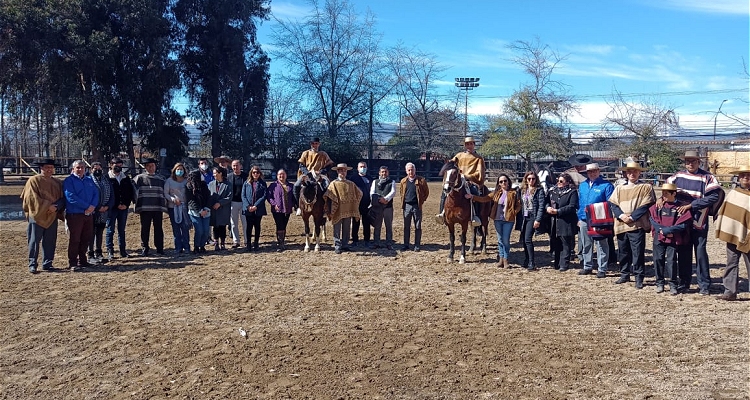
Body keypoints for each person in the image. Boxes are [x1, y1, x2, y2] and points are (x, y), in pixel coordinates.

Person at [665, 150, 723, 295]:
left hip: (699, 219)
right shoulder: (677, 176)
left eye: (693, 161)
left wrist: (692, 205)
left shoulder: (707, 177)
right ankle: (684, 283)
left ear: (699, 162)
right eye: (687, 161)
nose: (690, 164)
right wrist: (662, 198)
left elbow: (713, 197)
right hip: (681, 219)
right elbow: (666, 191)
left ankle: (704, 284)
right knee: (683, 250)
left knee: (700, 251)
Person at [609, 162, 656, 289]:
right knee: (623, 251)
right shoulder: (619, 188)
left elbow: (647, 204)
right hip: (621, 224)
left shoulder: (645, 187)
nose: (632, 174)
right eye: (629, 171)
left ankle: (639, 277)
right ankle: (624, 274)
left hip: (637, 224)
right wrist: (621, 216)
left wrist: (633, 217)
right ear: (625, 173)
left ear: (639, 172)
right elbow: (613, 204)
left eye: (635, 171)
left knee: (638, 252)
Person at [21, 158, 65, 273]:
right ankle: (32, 264)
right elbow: (31, 198)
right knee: (34, 241)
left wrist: (56, 207)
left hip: (52, 216)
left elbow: (63, 198)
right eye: (47, 167)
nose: (49, 170)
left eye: (51, 167)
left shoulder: (57, 182)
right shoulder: (33, 181)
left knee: (50, 241)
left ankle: (47, 263)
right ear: (41, 168)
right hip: (37, 216)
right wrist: (47, 206)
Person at [649, 183, 692, 295]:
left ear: (674, 193)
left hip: (672, 238)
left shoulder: (681, 207)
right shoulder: (658, 206)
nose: (664, 195)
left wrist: (668, 231)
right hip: (659, 237)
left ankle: (673, 284)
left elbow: (683, 224)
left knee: (671, 261)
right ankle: (659, 282)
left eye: (666, 193)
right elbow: (653, 219)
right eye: (663, 192)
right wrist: (661, 230)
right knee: (658, 259)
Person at [714, 165, 750, 301]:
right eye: (743, 175)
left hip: (748, 236)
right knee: (731, 262)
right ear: (739, 178)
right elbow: (725, 213)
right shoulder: (734, 194)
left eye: (748, 176)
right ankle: (730, 291)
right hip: (733, 234)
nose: (746, 178)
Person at [436, 136, 485, 226]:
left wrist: (467, 176)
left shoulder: (478, 158)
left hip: (470, 182)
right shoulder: (459, 155)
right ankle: (442, 214)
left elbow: (479, 173)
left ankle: (476, 217)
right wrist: (448, 163)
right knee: (444, 193)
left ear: (474, 145)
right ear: (464, 146)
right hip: (458, 181)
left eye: (471, 144)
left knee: (475, 193)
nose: (469, 146)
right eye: (467, 144)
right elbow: (451, 163)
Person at [577, 163, 615, 278]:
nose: (592, 173)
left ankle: (602, 268)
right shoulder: (582, 185)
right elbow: (580, 202)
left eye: (594, 171)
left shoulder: (606, 185)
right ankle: (587, 266)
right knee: (586, 243)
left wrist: (595, 209)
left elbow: (610, 203)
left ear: (599, 171)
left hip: (599, 218)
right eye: (590, 172)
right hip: (584, 218)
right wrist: (578, 217)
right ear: (587, 173)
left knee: (601, 243)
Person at [63, 160, 99, 271]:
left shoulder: (89, 180)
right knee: (75, 239)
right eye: (78, 167)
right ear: (73, 169)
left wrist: (93, 205)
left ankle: (83, 260)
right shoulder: (69, 181)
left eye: (82, 167)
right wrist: (87, 206)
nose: (80, 169)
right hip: (75, 214)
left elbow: (96, 193)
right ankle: (73, 262)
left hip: (88, 214)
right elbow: (71, 197)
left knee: (86, 238)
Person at [324, 163, 363, 254]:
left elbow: (359, 193)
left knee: (346, 228)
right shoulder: (333, 184)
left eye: (344, 170)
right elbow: (327, 195)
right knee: (336, 228)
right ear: (337, 171)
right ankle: (337, 245)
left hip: (348, 209)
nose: (343, 172)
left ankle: (345, 244)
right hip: (337, 209)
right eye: (341, 170)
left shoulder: (351, 184)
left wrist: (354, 203)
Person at [546, 172, 579, 272]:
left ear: (567, 182)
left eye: (561, 181)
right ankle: (557, 263)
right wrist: (547, 207)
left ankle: (564, 263)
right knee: (556, 242)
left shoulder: (572, 192)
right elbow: (546, 201)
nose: (559, 183)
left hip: (566, 221)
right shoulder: (552, 191)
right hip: (554, 221)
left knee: (566, 243)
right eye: (558, 181)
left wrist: (558, 211)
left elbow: (572, 206)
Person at [133, 158, 167, 256]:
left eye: (152, 165)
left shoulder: (161, 179)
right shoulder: (139, 178)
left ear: (155, 166)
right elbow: (133, 191)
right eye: (148, 166)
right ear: (145, 167)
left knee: (158, 228)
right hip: (145, 208)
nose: (150, 168)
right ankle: (145, 248)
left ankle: (160, 248)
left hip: (157, 208)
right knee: (145, 228)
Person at [487, 173, 521, 268]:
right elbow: (485, 198)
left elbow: (519, 205)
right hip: (497, 219)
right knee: (500, 240)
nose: (503, 183)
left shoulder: (513, 193)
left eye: (505, 181)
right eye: (501, 181)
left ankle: (506, 259)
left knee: (505, 240)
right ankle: (501, 259)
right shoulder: (496, 193)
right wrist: (472, 197)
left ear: (508, 182)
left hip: (508, 220)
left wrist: (514, 212)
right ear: (499, 183)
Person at [294, 137, 334, 215]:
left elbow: (329, 165)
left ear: (319, 144)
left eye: (316, 143)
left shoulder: (323, 154)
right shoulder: (305, 153)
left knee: (328, 186)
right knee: (296, 185)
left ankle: (326, 208)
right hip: (307, 174)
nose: (314, 145)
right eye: (313, 143)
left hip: (320, 175)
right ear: (310, 144)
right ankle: (298, 206)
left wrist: (321, 171)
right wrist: (308, 173)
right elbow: (301, 166)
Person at [106, 157, 135, 259]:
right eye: (116, 165)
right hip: (112, 208)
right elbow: (107, 194)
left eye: (120, 165)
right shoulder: (107, 178)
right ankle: (110, 251)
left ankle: (123, 251)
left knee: (121, 230)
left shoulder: (125, 178)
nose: (118, 167)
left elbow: (129, 193)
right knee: (110, 230)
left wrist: (126, 204)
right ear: (111, 165)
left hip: (124, 208)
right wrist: (115, 204)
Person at [517, 171, 547, 271]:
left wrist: (538, 219)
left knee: (528, 239)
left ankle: (531, 262)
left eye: (533, 179)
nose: (531, 181)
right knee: (524, 240)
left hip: (532, 216)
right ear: (526, 179)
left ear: (536, 179)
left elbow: (541, 206)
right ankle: (527, 259)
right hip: (524, 216)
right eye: (529, 179)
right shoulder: (522, 190)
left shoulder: (539, 190)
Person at [87, 162, 114, 263]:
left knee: (100, 232)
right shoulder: (88, 180)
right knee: (91, 233)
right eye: (95, 169)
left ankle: (99, 252)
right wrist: (97, 207)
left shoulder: (106, 180)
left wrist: (107, 206)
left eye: (99, 169)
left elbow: (112, 195)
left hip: (104, 211)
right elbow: (88, 196)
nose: (97, 170)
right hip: (93, 211)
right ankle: (90, 253)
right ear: (91, 170)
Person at [399, 162, 429, 252]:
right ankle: (406, 244)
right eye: (409, 170)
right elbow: (401, 193)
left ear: (415, 170)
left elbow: (426, 192)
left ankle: (417, 245)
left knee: (417, 226)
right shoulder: (403, 181)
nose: (410, 171)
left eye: (412, 169)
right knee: (406, 226)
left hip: (417, 206)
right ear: (406, 171)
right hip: (407, 206)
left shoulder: (421, 180)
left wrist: (421, 201)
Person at [164, 163, 191, 254]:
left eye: (181, 169)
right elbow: (166, 193)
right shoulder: (169, 181)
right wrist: (172, 199)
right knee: (176, 228)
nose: (180, 171)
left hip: (184, 207)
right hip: (173, 207)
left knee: (185, 227)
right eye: (178, 169)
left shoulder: (186, 181)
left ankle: (186, 246)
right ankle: (178, 247)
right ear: (174, 170)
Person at [266, 168, 295, 251]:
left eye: (283, 174)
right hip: (277, 209)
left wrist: (292, 205)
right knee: (279, 225)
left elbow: (294, 198)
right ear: (277, 176)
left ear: (286, 175)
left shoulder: (291, 186)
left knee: (284, 225)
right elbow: (269, 196)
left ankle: (282, 241)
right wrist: (274, 204)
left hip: (287, 209)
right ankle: (280, 243)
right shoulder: (273, 185)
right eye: (279, 174)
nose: (281, 176)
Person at [369, 165, 396, 250]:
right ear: (379, 173)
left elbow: (393, 192)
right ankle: (376, 242)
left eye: (385, 172)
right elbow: (372, 192)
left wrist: (386, 199)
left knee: (388, 226)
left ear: (388, 172)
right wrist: (377, 199)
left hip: (388, 207)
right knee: (377, 225)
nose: (384, 173)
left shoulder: (392, 182)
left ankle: (389, 243)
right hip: (377, 207)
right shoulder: (375, 182)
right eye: (382, 172)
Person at [242, 165, 267, 251]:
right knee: (249, 227)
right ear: (251, 173)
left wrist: (256, 206)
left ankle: (256, 243)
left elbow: (264, 196)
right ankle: (248, 244)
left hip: (258, 209)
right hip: (248, 209)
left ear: (260, 173)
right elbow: (243, 195)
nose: (255, 174)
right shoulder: (246, 183)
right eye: (254, 172)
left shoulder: (263, 183)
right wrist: (248, 206)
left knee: (257, 226)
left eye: (257, 172)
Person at [185, 169, 211, 254]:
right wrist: (199, 210)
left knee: (206, 230)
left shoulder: (204, 185)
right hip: (195, 212)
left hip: (206, 211)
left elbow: (208, 197)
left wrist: (206, 208)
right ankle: (196, 246)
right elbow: (191, 201)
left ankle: (202, 246)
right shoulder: (188, 186)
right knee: (199, 230)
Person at [209, 166, 233, 250]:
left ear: (220, 173)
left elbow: (229, 197)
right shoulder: (211, 184)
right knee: (215, 226)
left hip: (223, 209)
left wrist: (220, 203)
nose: (214, 175)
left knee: (222, 226)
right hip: (214, 209)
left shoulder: (228, 184)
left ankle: (222, 243)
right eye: (213, 173)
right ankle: (216, 243)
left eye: (215, 173)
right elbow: (209, 196)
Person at [350, 161, 372, 247]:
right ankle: (355, 240)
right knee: (356, 222)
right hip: (356, 204)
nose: (363, 168)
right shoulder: (353, 178)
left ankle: (367, 240)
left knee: (366, 223)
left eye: (364, 166)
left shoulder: (370, 178)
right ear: (358, 168)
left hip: (367, 204)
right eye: (361, 167)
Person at [227, 159, 248, 248]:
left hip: (244, 203)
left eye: (237, 165)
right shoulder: (229, 177)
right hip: (233, 202)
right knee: (233, 223)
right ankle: (236, 241)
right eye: (234, 166)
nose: (235, 167)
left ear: (240, 166)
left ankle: (247, 240)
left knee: (245, 223)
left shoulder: (246, 176)